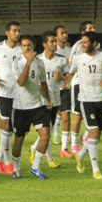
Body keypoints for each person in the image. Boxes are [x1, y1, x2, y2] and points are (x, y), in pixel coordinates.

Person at [65, 31, 102, 179]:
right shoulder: (77, 58)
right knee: (93, 132)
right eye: (81, 42)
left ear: (94, 43)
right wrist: (61, 79)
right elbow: (69, 74)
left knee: (97, 135)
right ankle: (96, 170)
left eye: (85, 42)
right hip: (85, 100)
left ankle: (80, 155)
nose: (82, 45)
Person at [11, 35, 52, 179]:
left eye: (29, 45)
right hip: (21, 107)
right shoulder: (17, 62)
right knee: (19, 139)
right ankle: (16, 168)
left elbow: (42, 82)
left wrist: (47, 98)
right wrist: (28, 63)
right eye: (24, 46)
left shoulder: (40, 62)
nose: (27, 48)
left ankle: (35, 167)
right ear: (20, 47)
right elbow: (21, 83)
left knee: (46, 135)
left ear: (33, 46)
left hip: (37, 105)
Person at [30, 31, 68, 169]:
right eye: (52, 41)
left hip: (56, 98)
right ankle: (50, 159)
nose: (55, 43)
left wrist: (62, 78)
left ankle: (34, 148)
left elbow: (67, 77)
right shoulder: (38, 60)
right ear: (44, 45)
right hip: (41, 99)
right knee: (47, 129)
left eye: (55, 41)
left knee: (49, 129)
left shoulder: (62, 60)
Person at [0, 21, 23, 176]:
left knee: (10, 127)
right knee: (6, 125)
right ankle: (7, 161)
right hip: (0, 91)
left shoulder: (22, 49)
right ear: (7, 33)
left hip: (17, 93)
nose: (17, 33)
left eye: (19, 31)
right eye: (14, 31)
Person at [67, 21, 96, 155]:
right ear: (83, 32)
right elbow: (71, 65)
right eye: (90, 28)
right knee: (78, 114)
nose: (93, 29)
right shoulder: (77, 47)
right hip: (78, 83)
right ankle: (73, 143)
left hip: (92, 84)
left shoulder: (97, 44)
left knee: (94, 112)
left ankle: (85, 136)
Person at [51, 26, 73, 158]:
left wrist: (65, 80)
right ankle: (53, 133)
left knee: (66, 116)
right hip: (51, 89)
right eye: (62, 33)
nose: (65, 35)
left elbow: (71, 70)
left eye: (66, 32)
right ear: (56, 36)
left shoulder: (70, 51)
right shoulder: (51, 50)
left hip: (65, 88)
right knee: (53, 116)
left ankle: (64, 148)